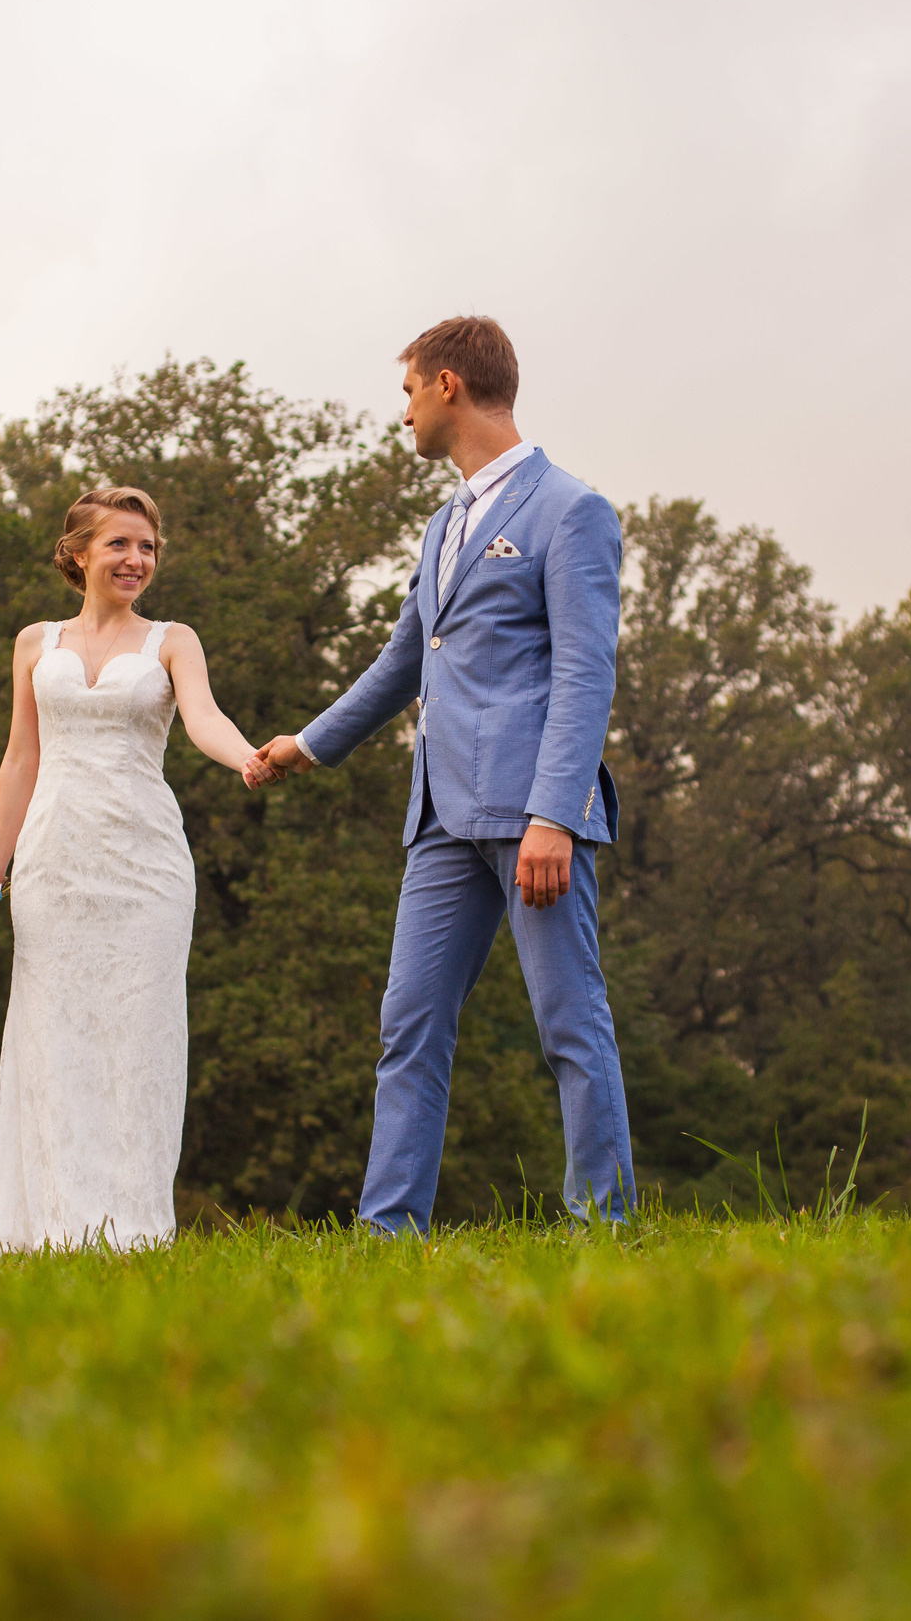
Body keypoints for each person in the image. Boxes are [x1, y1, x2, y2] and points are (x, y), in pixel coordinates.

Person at [245, 316, 633, 1233]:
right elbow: (403, 659)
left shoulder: (571, 509)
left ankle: (603, 1225)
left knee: (569, 1021)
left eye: (409, 390)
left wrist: (555, 816)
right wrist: (309, 741)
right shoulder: (442, 525)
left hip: (531, 813)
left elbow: (585, 673)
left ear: (449, 385)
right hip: (438, 820)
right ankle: (388, 1232)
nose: (405, 413)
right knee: (408, 1025)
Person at [0, 485, 268, 1252]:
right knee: (55, 1038)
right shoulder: (34, 643)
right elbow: (20, 758)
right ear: (79, 552)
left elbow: (204, 718)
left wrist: (248, 756)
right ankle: (55, 1222)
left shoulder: (172, 640)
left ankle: (130, 1226)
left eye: (148, 547)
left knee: (140, 1035)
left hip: (146, 866)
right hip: (54, 864)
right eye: (121, 544)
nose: (137, 559)